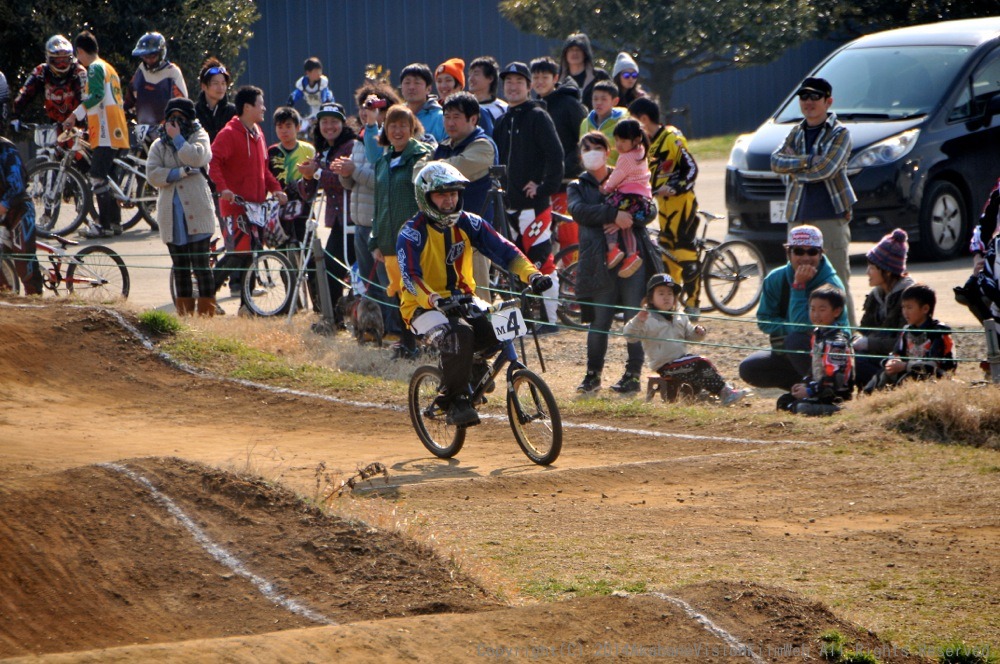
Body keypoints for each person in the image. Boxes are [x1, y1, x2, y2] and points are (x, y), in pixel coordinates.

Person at [397, 161, 550, 426]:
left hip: (464, 298)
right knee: (460, 334)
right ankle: (453, 400)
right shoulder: (412, 232)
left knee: (499, 328)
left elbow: (505, 250)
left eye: (454, 193)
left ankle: (472, 368)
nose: (449, 200)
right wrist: (433, 298)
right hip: (423, 307)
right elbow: (410, 277)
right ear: (425, 196)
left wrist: (533, 275)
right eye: (442, 194)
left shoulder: (470, 223)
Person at [569, 132, 664, 394]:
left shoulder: (626, 171)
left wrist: (631, 216)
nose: (592, 152)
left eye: (597, 147)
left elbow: (650, 206)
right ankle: (592, 376)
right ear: (580, 155)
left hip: (634, 260)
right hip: (599, 263)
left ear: (608, 150)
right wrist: (614, 214)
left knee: (634, 317)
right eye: (586, 148)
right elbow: (578, 211)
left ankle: (632, 375)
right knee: (599, 321)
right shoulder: (577, 185)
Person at [771, 76, 857, 327]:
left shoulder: (840, 133)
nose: (808, 102)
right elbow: (776, 162)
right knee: (797, 280)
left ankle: (847, 339)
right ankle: (803, 338)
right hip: (797, 216)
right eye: (804, 97)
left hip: (830, 215)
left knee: (836, 281)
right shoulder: (795, 132)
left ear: (828, 101)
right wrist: (809, 160)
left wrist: (796, 164)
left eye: (815, 97)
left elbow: (827, 169)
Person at [493, 62, 564, 333]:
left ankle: (550, 320)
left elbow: (556, 156)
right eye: (508, 82)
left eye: (518, 81)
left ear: (529, 86)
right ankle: (524, 320)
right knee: (514, 262)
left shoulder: (538, 116)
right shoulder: (502, 120)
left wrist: (545, 187)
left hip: (533, 207)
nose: (512, 86)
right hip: (508, 204)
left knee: (541, 261)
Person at [739, 225, 848, 391]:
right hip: (787, 351)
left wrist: (798, 287)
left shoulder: (831, 284)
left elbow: (803, 328)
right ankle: (800, 389)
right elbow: (764, 321)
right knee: (749, 368)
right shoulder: (775, 278)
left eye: (812, 252)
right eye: (798, 251)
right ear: (788, 253)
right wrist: (792, 328)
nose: (805, 257)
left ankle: (821, 390)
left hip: (827, 355)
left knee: (796, 340)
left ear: (821, 254)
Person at [209, 85, 288, 301]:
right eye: (260, 104)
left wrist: (276, 189)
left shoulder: (258, 133)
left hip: (256, 208)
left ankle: (247, 305)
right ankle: (207, 294)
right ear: (247, 107)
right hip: (235, 207)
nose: (264, 108)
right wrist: (223, 188)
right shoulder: (228, 134)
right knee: (237, 254)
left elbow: (264, 170)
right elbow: (212, 161)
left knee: (250, 255)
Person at [334, 81, 400, 326]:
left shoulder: (389, 140)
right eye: (363, 106)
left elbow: (384, 181)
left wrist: (355, 171)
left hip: (380, 224)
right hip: (360, 222)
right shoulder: (360, 140)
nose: (366, 111)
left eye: (372, 106)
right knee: (368, 282)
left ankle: (394, 329)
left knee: (386, 282)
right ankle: (373, 329)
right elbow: (351, 184)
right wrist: (344, 172)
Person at [624, 273, 747, 405]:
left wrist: (698, 332)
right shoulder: (646, 318)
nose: (666, 297)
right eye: (661, 293)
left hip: (682, 361)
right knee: (701, 362)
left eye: (670, 294)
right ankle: (725, 392)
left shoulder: (679, 315)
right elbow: (629, 336)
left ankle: (715, 392)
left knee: (701, 368)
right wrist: (638, 321)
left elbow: (690, 336)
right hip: (665, 365)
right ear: (651, 299)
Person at [628, 97, 700, 314]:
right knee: (668, 253)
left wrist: (676, 187)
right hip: (663, 207)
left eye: (635, 122)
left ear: (643, 119)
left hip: (682, 204)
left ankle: (694, 304)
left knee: (684, 252)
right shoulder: (646, 144)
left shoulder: (671, 137)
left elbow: (692, 169)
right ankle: (672, 305)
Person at [370, 103, 432, 356]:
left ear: (412, 128)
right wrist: (375, 241)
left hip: (416, 239)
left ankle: (428, 344)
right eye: (392, 125)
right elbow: (378, 204)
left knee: (422, 292)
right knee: (400, 295)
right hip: (388, 241)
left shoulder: (422, 156)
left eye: (402, 125)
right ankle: (408, 343)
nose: (397, 131)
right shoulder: (382, 162)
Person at [146, 97, 217, 316]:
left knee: (201, 266)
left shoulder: (200, 135)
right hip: (172, 216)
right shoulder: (158, 144)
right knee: (181, 268)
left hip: (198, 211)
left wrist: (178, 140)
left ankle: (207, 316)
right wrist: (178, 173)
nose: (175, 123)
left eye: (181, 118)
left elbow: (197, 158)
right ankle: (184, 315)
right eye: (171, 118)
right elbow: (152, 174)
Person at [63, 31, 130, 239]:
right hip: (115, 129)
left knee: (97, 177)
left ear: (80, 51)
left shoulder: (94, 68)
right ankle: (115, 223)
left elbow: (97, 95)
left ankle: (104, 225)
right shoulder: (109, 68)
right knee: (107, 178)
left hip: (105, 131)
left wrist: (75, 114)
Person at [433, 92, 498, 300]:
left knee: (477, 296)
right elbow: (417, 173)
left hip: (473, 236)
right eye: (446, 116)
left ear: (473, 119)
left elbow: (449, 172)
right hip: (443, 234)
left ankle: (487, 333)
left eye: (456, 117)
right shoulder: (443, 146)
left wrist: (431, 169)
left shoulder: (483, 145)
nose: (450, 122)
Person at [299, 102, 357, 323]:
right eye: (324, 122)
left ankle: (338, 318)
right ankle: (332, 318)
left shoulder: (350, 146)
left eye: (334, 121)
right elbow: (308, 192)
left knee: (338, 268)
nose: (329, 126)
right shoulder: (323, 150)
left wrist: (315, 173)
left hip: (353, 219)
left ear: (343, 123)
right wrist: (307, 176)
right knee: (328, 267)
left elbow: (343, 179)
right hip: (338, 222)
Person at [863, 283, 956, 393]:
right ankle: (868, 396)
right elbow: (896, 353)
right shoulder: (906, 331)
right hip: (908, 371)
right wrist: (892, 362)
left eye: (909, 307)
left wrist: (905, 366)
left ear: (925, 309)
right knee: (882, 375)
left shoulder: (938, 333)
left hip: (935, 378)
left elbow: (933, 366)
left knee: (908, 378)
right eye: (903, 307)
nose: (905, 312)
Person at [777, 286, 854, 415]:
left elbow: (836, 379)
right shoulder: (818, 335)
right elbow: (813, 369)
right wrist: (805, 384)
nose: (816, 315)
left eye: (822, 310)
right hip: (819, 390)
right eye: (812, 309)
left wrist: (810, 391)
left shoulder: (836, 343)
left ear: (836, 311)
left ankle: (838, 410)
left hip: (834, 395)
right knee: (784, 402)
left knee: (799, 407)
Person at [854, 229, 914, 388]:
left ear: (887, 271)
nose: (867, 272)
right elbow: (865, 329)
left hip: (898, 363)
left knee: (855, 362)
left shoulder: (909, 297)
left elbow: (904, 342)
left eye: (872, 268)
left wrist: (868, 343)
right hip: (877, 357)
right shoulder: (875, 295)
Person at [530, 55, 586, 225]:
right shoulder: (533, 107)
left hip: (567, 183)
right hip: (541, 185)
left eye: (545, 77)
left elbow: (584, 140)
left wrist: (565, 167)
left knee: (567, 237)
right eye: (535, 77)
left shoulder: (569, 104)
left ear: (555, 78)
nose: (540, 82)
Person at [599, 119, 656, 278]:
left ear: (636, 140)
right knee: (626, 226)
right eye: (616, 140)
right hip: (641, 200)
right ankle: (631, 255)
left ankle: (612, 250)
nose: (618, 144)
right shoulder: (640, 151)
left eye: (623, 140)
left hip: (628, 197)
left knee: (607, 212)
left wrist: (606, 188)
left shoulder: (626, 157)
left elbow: (617, 177)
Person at [11, 35, 88, 128]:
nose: (62, 65)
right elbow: (25, 93)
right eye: (58, 60)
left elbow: (85, 99)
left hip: (78, 124)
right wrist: (15, 117)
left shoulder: (79, 72)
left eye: (65, 59)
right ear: (49, 59)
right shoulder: (41, 71)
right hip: (54, 124)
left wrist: (80, 119)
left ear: (71, 59)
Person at [267, 106, 316, 248]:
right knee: (282, 250)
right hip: (280, 207)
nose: (284, 130)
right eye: (279, 126)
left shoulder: (308, 149)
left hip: (304, 206)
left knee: (308, 248)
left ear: (298, 127)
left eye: (288, 126)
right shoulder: (272, 152)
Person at [0, 136, 42, 294]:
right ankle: (7, 297)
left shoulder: (5, 148)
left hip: (19, 208)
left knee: (23, 260)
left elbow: (17, 184)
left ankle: (35, 296)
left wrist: (4, 204)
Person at [124, 32, 188, 126]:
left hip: (166, 129)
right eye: (145, 57)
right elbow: (130, 95)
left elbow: (181, 104)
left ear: (161, 53)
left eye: (152, 56)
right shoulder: (141, 70)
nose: (149, 60)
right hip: (142, 129)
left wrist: (169, 123)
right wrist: (125, 112)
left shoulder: (172, 72)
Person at [558, 32, 611, 110]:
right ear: (565, 54)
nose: (574, 53)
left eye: (578, 50)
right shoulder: (558, 79)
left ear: (585, 53)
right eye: (570, 50)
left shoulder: (599, 76)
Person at [579, 80, 627, 165]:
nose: (598, 103)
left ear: (615, 101)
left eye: (604, 99)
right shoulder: (585, 124)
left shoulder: (624, 123)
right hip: (592, 173)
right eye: (595, 99)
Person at [287, 56, 334, 135]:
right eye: (316, 71)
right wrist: (290, 101)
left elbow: (326, 95)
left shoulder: (322, 83)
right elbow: (297, 94)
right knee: (302, 129)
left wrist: (327, 103)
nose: (319, 73)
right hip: (313, 109)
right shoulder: (302, 84)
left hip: (326, 109)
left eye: (320, 71)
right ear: (308, 72)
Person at [399, 63, 444, 143]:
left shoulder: (440, 118)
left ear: (428, 89)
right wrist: (372, 125)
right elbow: (376, 153)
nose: (411, 87)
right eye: (407, 83)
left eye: (417, 83)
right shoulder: (396, 116)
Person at [194, 58, 236, 142]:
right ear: (204, 86)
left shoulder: (234, 112)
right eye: (215, 83)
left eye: (223, 83)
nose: (220, 88)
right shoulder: (193, 112)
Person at [467, 56, 507, 127]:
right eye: (470, 75)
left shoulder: (503, 109)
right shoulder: (464, 106)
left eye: (476, 74)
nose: (471, 79)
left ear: (490, 78)